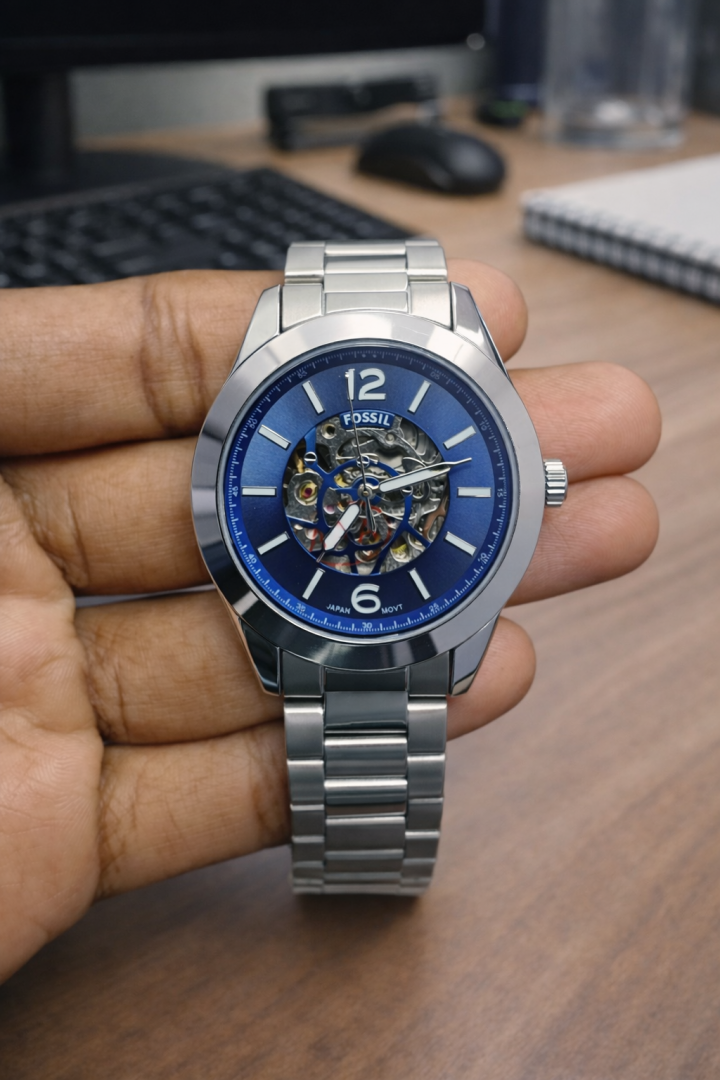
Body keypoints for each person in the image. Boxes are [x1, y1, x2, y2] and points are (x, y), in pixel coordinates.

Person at [0, 261, 661, 983]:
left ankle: (369, 869)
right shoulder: (295, 469)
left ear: (538, 486)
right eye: (351, 490)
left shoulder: (411, 475)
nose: (367, 501)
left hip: (363, 594)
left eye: (390, 490)